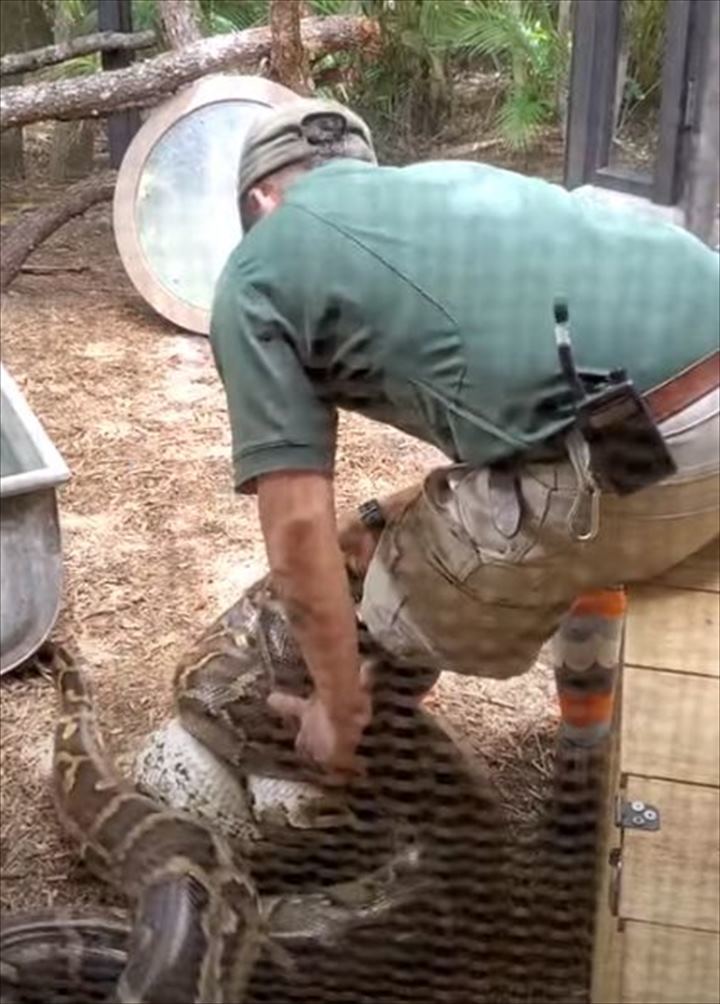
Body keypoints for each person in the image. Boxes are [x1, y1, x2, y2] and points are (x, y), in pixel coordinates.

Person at [210, 97, 719, 782]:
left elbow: (299, 531)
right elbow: (541, 418)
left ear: (261, 199)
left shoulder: (257, 270)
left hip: (655, 445)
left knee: (384, 595)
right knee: (581, 531)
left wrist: (336, 703)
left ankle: (344, 773)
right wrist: (382, 512)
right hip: (668, 428)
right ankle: (583, 761)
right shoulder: (449, 187)